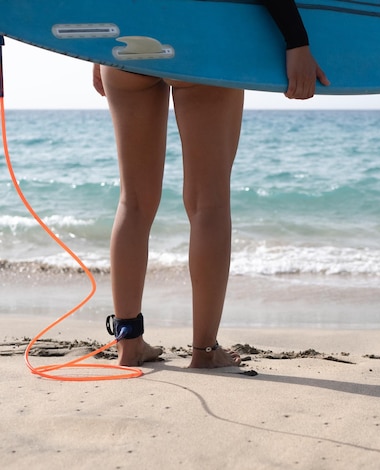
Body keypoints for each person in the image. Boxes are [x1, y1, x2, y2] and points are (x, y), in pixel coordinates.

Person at [93, 1, 329, 368]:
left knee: (134, 202)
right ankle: (204, 352)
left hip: (124, 39)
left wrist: (92, 49)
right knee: (208, 204)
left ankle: (129, 345)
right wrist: (296, 41)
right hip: (200, 38)